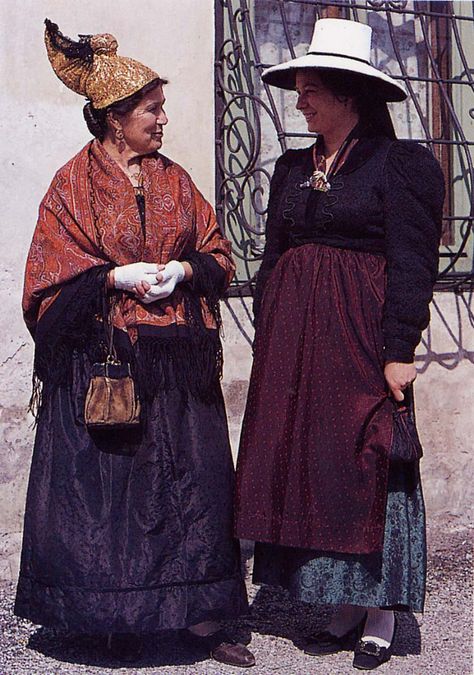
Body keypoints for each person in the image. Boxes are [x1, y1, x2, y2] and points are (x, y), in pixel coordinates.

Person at [15, 20, 255, 668]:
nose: (163, 118)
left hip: (177, 371)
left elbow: (216, 251)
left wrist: (181, 271)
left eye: (162, 107)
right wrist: (110, 277)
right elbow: (43, 281)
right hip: (108, 369)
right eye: (153, 109)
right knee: (113, 497)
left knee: (196, 491)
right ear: (116, 116)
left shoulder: (176, 180)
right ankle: (110, 622)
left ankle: (203, 619)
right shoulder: (72, 186)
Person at [235, 18, 444, 671]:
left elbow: (413, 262)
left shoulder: (398, 165)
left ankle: (381, 606)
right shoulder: (294, 167)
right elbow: (275, 257)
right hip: (299, 343)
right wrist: (271, 330)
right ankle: (340, 599)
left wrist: (399, 347)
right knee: (316, 466)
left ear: (349, 94)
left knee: (369, 457)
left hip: (362, 331)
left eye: (310, 92)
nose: (299, 103)